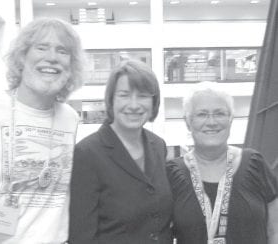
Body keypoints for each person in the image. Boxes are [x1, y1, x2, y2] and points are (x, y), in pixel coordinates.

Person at [0, 18, 84, 243]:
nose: (52, 57)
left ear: (71, 66)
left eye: (62, 51)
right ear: (22, 57)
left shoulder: (70, 119)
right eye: (41, 47)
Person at [69, 59, 173, 244]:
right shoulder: (87, 154)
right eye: (124, 95)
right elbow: (81, 236)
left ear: (153, 101)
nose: (133, 105)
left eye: (142, 96)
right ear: (111, 100)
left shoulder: (158, 146)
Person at [166, 81, 278, 244]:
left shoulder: (255, 164)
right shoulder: (171, 173)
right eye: (202, 114)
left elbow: (275, 229)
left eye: (219, 113)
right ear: (187, 122)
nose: (211, 122)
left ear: (231, 119)